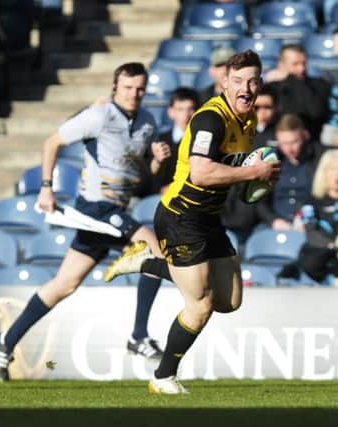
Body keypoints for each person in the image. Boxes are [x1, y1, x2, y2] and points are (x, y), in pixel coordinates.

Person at [105, 50, 280, 394]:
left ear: (260, 84)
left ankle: (150, 262)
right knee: (200, 303)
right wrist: (253, 171)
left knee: (229, 301)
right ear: (224, 83)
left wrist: (258, 176)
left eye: (253, 81)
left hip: (209, 218)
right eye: (238, 81)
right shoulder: (210, 119)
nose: (246, 88)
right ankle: (162, 377)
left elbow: (234, 166)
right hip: (181, 216)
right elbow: (200, 172)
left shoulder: (247, 120)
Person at [0, 62, 171, 382]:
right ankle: (139, 336)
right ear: (115, 87)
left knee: (64, 285)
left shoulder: (147, 123)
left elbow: (141, 179)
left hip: (115, 211)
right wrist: (46, 188)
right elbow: (52, 143)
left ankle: (6, 340)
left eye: (140, 88)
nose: (134, 94)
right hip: (95, 208)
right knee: (154, 249)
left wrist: (155, 162)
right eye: (127, 87)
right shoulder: (99, 115)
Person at [256, 114, 322, 232]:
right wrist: (274, 220)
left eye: (294, 142)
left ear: (305, 135)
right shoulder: (271, 162)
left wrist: (307, 220)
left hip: (311, 224)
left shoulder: (319, 160)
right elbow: (260, 201)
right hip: (275, 224)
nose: (290, 149)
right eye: (284, 143)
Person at [266, 44, 331, 141]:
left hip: (311, 141)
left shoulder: (319, 85)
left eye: (304, 63)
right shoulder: (271, 88)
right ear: (281, 65)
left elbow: (316, 111)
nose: (302, 69)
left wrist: (293, 80)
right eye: (295, 64)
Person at [146, 87, 199, 194]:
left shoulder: (202, 142)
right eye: (180, 109)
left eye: (190, 109)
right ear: (171, 112)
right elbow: (147, 179)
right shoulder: (159, 141)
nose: (186, 115)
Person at [296, 149, 338, 284]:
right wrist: (333, 245)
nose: (337, 174)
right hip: (321, 257)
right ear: (323, 172)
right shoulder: (311, 202)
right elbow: (311, 233)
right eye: (332, 169)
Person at [252, 84, 279, 149]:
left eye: (267, 107)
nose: (262, 112)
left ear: (276, 108)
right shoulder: (239, 132)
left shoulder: (283, 131)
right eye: (256, 107)